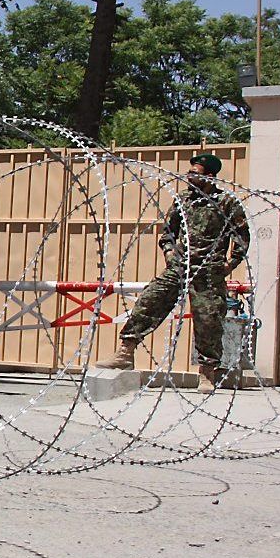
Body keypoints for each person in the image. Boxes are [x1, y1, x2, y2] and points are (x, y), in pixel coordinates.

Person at [96, 153, 250, 395]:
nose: (189, 176)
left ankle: (207, 373)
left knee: (208, 320)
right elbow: (168, 231)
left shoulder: (227, 203)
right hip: (180, 264)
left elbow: (242, 235)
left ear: (209, 176)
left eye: (195, 173)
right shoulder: (184, 200)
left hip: (208, 270)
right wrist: (169, 252)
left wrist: (231, 263)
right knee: (150, 300)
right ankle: (125, 351)